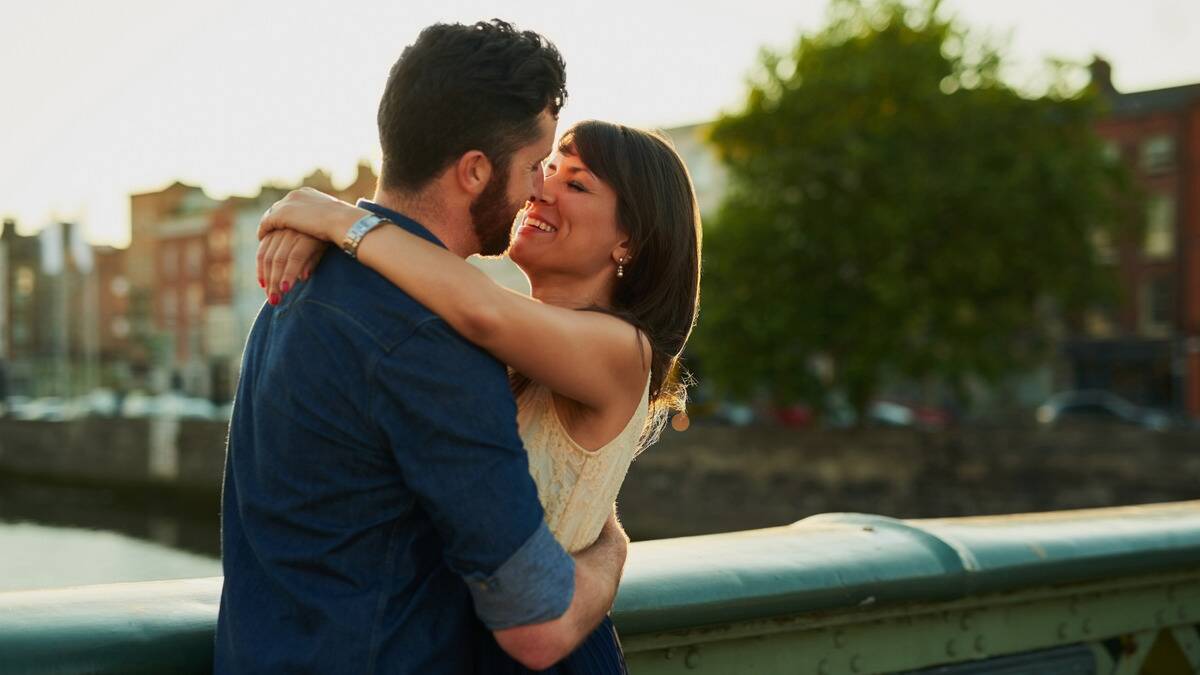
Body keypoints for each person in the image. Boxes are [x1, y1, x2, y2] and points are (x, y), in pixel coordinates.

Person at [216, 20, 630, 674]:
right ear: (473, 171)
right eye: (531, 167)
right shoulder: (431, 338)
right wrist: (611, 549)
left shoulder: (298, 280)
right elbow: (538, 621)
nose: (534, 191)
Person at [256, 116, 703, 673]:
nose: (541, 189)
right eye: (548, 170)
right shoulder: (524, 337)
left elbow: (479, 308)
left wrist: (336, 219)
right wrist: (324, 230)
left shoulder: (624, 348)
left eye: (577, 183)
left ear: (628, 241)